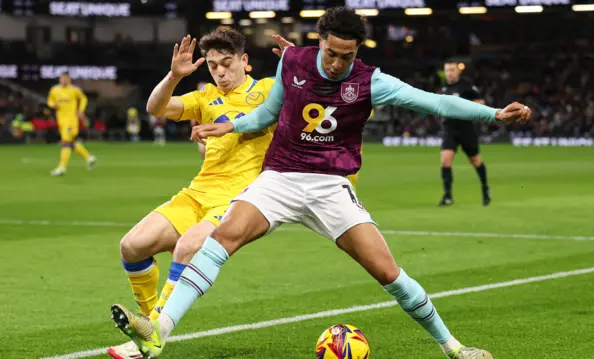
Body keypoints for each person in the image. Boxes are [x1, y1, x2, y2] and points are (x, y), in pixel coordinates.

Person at [109, 8, 530, 358]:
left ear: (356, 51)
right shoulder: (291, 63)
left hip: (331, 186)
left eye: (346, 56)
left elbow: (435, 100)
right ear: (320, 42)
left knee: (388, 272)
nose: (336, 63)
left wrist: (493, 113)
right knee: (220, 240)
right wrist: (230, 126)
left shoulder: (370, 80)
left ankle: (454, 348)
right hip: (280, 178)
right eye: (331, 53)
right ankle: (159, 331)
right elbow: (265, 115)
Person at [107, 28, 280, 359]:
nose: (220, 72)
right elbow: (156, 108)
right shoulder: (205, 98)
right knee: (131, 247)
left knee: (186, 247)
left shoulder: (267, 89)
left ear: (245, 61)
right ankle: (149, 320)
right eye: (213, 66)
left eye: (227, 63)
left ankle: (152, 333)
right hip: (198, 192)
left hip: (239, 199)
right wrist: (173, 76)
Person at [439, 60, 491, 206]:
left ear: (458, 71)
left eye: (452, 70)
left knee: (475, 161)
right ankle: (448, 196)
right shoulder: (444, 87)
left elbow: (481, 102)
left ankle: (485, 189)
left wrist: (464, 108)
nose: (449, 73)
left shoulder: (466, 86)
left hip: (466, 128)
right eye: (447, 70)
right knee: (445, 160)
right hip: (450, 129)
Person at [47, 72, 96, 176]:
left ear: (69, 79)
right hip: (61, 120)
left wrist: (81, 110)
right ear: (60, 79)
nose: (64, 80)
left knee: (65, 142)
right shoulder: (54, 89)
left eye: (66, 78)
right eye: (62, 78)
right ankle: (89, 158)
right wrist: (53, 105)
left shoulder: (74, 90)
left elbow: (83, 98)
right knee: (71, 143)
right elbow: (50, 100)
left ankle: (62, 167)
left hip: (71, 121)